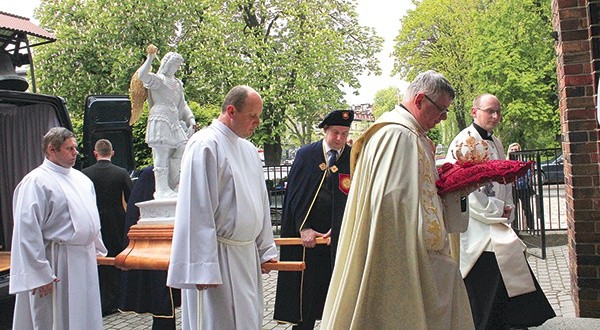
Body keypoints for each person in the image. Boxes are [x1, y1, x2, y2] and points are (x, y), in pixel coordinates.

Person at [321, 70, 474, 329]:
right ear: (420, 100)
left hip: (421, 254)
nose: (443, 118)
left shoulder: (409, 134)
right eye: (440, 110)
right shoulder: (397, 136)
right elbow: (390, 204)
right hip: (401, 257)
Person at [166, 85, 278, 329]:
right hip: (218, 257)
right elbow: (196, 209)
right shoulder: (205, 144)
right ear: (231, 111)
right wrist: (201, 267)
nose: (257, 122)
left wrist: (265, 249)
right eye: (252, 115)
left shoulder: (248, 150)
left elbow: (261, 203)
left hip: (245, 256)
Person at [446, 94, 555, 329]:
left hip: (496, 220)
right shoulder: (464, 142)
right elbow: (462, 187)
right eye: (489, 111)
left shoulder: (495, 141)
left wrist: (509, 206)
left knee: (509, 265)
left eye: (498, 112)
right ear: (475, 112)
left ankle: (512, 322)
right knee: (488, 275)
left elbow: (503, 181)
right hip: (477, 226)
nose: (495, 116)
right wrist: (496, 209)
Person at [9, 127, 107, 329]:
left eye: (75, 148)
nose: (75, 153)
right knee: (56, 319)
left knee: (86, 316)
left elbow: (91, 217)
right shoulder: (36, 182)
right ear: (52, 150)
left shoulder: (82, 179)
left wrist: (97, 248)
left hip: (84, 258)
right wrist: (39, 273)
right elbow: (27, 231)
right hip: (56, 261)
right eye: (69, 148)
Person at [274, 110, 354, 329]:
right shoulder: (306, 155)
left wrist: (338, 230)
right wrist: (304, 228)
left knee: (336, 294)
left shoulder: (353, 157)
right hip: (307, 241)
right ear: (325, 131)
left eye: (345, 134)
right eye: (335, 132)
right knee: (305, 298)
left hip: (335, 240)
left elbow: (356, 200)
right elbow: (295, 198)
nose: (339, 139)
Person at [118, 165, 181, 330]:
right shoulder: (149, 175)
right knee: (163, 300)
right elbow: (135, 214)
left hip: (181, 244)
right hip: (159, 245)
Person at [137, 44, 196, 199]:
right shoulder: (158, 80)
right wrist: (150, 58)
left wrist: (191, 119)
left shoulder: (177, 83)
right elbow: (142, 75)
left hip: (174, 119)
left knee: (182, 147)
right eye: (175, 64)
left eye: (178, 65)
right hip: (161, 117)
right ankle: (162, 189)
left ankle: (174, 184)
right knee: (161, 153)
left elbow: (183, 105)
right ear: (167, 64)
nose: (176, 68)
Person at [82, 139, 133, 315]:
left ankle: (100, 298)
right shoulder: (121, 173)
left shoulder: (85, 174)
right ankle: (118, 298)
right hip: (117, 221)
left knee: (97, 259)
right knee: (116, 258)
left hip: (94, 221)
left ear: (96, 154)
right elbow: (130, 198)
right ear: (112, 153)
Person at [506, 142, 535, 230]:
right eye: (512, 150)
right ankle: (514, 228)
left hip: (523, 187)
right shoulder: (506, 162)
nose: (514, 152)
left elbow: (529, 173)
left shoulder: (523, 162)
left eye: (516, 150)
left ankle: (531, 228)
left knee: (527, 208)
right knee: (513, 209)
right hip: (512, 189)